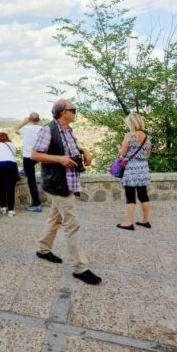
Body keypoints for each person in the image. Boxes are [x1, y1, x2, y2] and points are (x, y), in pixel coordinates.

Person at [31, 99, 102, 285]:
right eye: (73, 109)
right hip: (58, 184)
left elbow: (70, 148)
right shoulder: (48, 130)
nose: (75, 112)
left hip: (66, 183)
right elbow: (35, 155)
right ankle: (80, 268)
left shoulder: (67, 130)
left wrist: (84, 150)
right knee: (72, 224)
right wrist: (60, 160)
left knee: (55, 217)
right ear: (63, 112)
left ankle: (43, 249)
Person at [116, 112, 152, 230]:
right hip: (143, 170)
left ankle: (129, 222)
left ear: (131, 123)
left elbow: (123, 154)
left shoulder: (129, 136)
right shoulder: (147, 138)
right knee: (143, 195)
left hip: (131, 170)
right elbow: (147, 156)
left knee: (130, 195)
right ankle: (145, 220)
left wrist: (119, 149)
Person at [15, 112, 43, 212]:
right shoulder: (41, 129)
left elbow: (16, 130)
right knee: (28, 171)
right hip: (39, 155)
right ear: (38, 119)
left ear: (30, 120)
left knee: (32, 181)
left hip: (28, 156)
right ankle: (24, 170)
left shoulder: (26, 128)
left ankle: (36, 204)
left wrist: (24, 121)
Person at [0, 132, 19, 216]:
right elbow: (13, 154)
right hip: (10, 164)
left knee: (0, 186)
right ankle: (11, 210)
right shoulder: (11, 145)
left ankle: (3, 208)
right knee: (10, 187)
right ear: (7, 138)